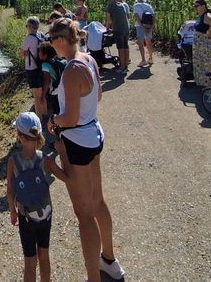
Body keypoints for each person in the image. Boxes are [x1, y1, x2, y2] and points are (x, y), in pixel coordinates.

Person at [46, 18, 124, 282]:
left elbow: (69, 118)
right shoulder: (88, 60)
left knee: (84, 214)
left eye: (51, 41)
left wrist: (53, 119)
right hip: (94, 133)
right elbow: (98, 95)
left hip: (78, 141)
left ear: (59, 41)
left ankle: (93, 276)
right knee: (98, 200)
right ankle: (109, 260)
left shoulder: (70, 71)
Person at [6, 112, 68, 282]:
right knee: (44, 256)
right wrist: (63, 153)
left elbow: (10, 192)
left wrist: (12, 211)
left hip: (26, 216)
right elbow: (65, 177)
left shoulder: (13, 161)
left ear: (19, 136)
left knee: (30, 262)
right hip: (45, 213)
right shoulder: (45, 159)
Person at [20, 17, 45, 117]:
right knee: (42, 94)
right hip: (41, 67)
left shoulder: (29, 38)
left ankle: (39, 119)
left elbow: (22, 54)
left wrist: (25, 53)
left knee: (36, 97)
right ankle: (45, 113)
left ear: (30, 27)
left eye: (27, 26)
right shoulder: (40, 35)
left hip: (31, 68)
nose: (27, 28)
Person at [192, 0, 211, 89]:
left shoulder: (207, 15)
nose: (195, 8)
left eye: (196, 6)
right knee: (203, 65)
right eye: (194, 6)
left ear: (203, 6)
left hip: (206, 46)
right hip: (201, 46)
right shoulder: (202, 16)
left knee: (209, 65)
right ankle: (206, 87)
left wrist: (208, 32)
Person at [105, 0, 130, 72]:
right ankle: (125, 65)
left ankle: (122, 67)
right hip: (126, 29)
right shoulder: (121, 5)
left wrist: (107, 29)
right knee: (126, 47)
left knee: (120, 48)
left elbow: (107, 20)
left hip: (118, 30)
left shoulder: (110, 6)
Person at [38, 42, 65, 117]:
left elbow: (47, 81)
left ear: (45, 55)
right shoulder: (55, 59)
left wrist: (43, 95)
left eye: (40, 51)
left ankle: (60, 124)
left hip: (55, 90)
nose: (38, 53)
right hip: (62, 87)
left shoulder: (45, 65)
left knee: (57, 109)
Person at [132, 0, 156, 67]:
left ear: (137, 0)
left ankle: (143, 60)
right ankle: (151, 58)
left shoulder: (136, 5)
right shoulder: (149, 6)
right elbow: (154, 16)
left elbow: (137, 17)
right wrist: (151, 27)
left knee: (141, 44)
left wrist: (142, 27)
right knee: (148, 42)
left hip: (140, 26)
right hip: (149, 25)